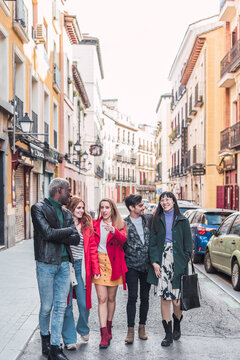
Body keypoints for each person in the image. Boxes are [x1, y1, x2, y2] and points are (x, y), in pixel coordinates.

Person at [31, 178, 80, 360]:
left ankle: (55, 347)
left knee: (60, 306)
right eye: (69, 190)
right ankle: (45, 339)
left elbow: (76, 239)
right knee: (46, 307)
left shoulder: (66, 213)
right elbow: (47, 233)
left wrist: (60, 233)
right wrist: (68, 232)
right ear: (59, 190)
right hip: (46, 263)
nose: (71, 194)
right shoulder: (38, 208)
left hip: (65, 264)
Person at [147, 192, 193, 347]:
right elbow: (152, 243)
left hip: (178, 261)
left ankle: (177, 322)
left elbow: (189, 245)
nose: (164, 202)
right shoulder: (156, 220)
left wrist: (184, 259)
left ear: (174, 201)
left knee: (177, 300)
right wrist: (154, 262)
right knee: (164, 298)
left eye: (167, 199)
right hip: (162, 260)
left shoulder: (183, 220)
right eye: (162, 199)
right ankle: (167, 333)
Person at [62, 197, 98, 350]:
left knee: (84, 304)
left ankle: (83, 329)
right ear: (71, 209)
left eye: (82, 208)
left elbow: (92, 250)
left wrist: (95, 270)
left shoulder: (87, 226)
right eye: (78, 208)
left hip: (81, 269)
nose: (81, 211)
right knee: (67, 305)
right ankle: (70, 339)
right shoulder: (64, 225)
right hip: (66, 267)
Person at [91, 198, 128, 349]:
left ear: (112, 209)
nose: (104, 210)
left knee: (111, 298)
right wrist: (94, 268)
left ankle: (109, 325)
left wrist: (114, 231)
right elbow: (92, 247)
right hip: (99, 263)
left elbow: (124, 240)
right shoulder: (94, 225)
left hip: (114, 265)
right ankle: (103, 334)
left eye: (107, 207)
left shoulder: (120, 224)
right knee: (102, 298)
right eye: (102, 207)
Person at [124, 194, 152, 344]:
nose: (143, 207)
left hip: (147, 265)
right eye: (140, 205)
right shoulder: (124, 223)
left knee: (145, 298)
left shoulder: (148, 220)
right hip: (131, 266)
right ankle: (130, 330)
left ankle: (142, 327)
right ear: (131, 207)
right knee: (132, 297)